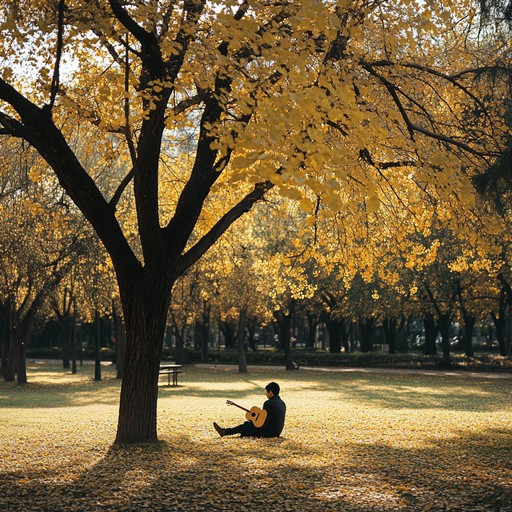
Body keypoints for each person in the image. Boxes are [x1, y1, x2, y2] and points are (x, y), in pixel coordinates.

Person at [213, 382, 286, 438]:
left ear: (271, 393)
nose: (266, 394)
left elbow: (262, 422)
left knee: (246, 425)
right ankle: (228, 432)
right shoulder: (282, 403)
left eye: (266, 392)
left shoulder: (268, 403)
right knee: (248, 425)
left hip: (269, 432)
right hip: (277, 431)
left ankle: (224, 432)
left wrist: (253, 422)